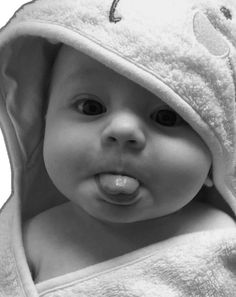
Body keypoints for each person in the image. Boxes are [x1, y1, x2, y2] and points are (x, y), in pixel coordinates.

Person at [0, 0, 236, 296]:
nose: (123, 131)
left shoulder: (222, 239)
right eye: (91, 107)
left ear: (218, 152)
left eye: (166, 117)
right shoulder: (29, 239)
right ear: (42, 123)